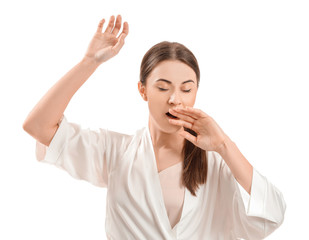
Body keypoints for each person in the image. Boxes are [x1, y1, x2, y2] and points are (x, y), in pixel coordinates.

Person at [23, 14, 287, 240]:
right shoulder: (115, 152)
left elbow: (272, 216)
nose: (175, 99)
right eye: (163, 87)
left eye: (186, 88)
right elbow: (38, 126)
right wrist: (89, 61)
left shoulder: (215, 163)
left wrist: (224, 146)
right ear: (143, 90)